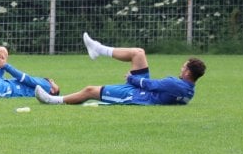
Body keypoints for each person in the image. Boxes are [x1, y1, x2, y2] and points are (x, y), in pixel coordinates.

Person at [35, 32, 206, 105]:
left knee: (89, 90)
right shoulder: (188, 90)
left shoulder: (175, 85)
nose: (181, 68)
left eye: (183, 67)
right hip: (146, 92)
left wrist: (132, 79)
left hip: (138, 96)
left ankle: (53, 100)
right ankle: (98, 49)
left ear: (187, 72)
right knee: (138, 53)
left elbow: (151, 85)